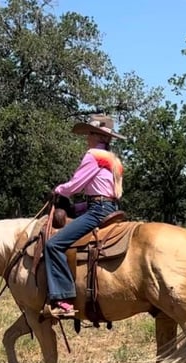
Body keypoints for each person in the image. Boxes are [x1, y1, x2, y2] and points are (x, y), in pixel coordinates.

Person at [44, 114, 125, 318]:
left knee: (53, 245)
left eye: (89, 132)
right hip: (110, 208)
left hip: (98, 210)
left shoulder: (93, 154)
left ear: (97, 135)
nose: (86, 137)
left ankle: (64, 298)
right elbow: (104, 192)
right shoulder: (114, 160)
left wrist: (57, 191)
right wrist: (78, 208)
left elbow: (75, 185)